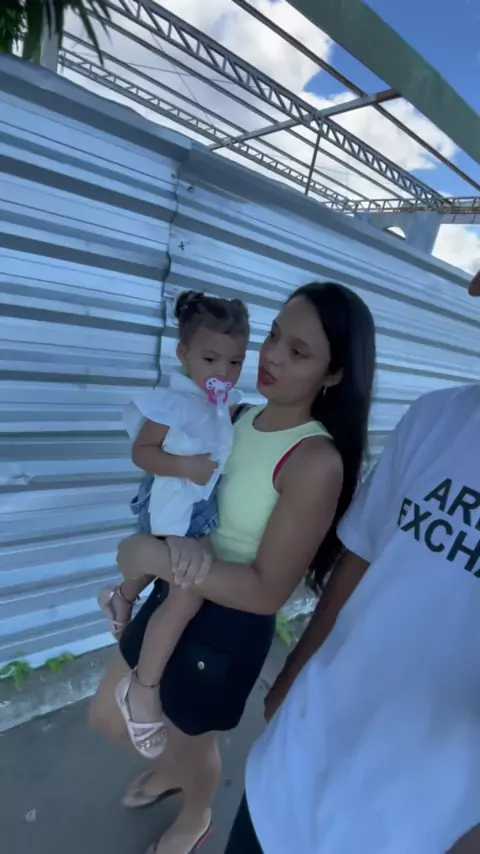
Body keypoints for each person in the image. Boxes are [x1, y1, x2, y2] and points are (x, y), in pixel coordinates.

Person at [89, 281, 376, 854]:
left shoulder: (314, 460)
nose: (271, 356)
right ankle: (174, 773)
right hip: (177, 589)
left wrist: (150, 555)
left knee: (191, 740)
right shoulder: (234, 413)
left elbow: (268, 592)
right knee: (110, 719)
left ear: (334, 374)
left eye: (298, 352)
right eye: (274, 336)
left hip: (226, 626)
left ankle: (196, 817)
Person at [224, 268, 480, 854]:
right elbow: (360, 559)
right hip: (290, 771)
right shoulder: (436, 417)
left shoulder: (316, 459)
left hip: (415, 828)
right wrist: (294, 675)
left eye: (299, 350)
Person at [98, 290, 249, 758]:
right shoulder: (176, 402)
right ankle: (142, 688)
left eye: (235, 362)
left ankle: (120, 597)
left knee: (172, 574)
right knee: (186, 595)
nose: (223, 372)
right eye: (210, 359)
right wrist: (187, 467)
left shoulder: (221, 401)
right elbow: (142, 453)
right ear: (184, 355)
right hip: (171, 503)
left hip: (194, 506)